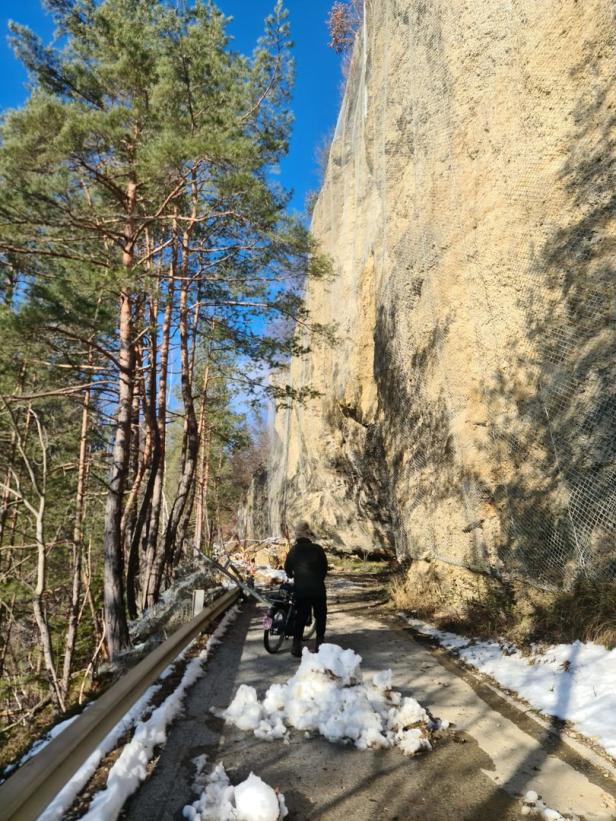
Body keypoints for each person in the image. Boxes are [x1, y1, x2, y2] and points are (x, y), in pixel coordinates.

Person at [284, 521, 328, 658]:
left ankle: (296, 646)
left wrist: (292, 575)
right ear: (308, 535)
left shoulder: (293, 551)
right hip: (318, 590)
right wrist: (318, 578)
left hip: (301, 590)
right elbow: (324, 569)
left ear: (297, 536)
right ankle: (319, 643)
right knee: (320, 615)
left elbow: (287, 569)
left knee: (301, 616)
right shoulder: (318, 549)